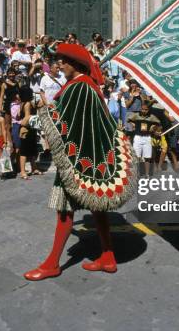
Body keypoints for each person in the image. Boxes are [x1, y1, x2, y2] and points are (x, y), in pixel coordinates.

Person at [24, 43, 136, 281]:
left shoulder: (79, 88)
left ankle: (52, 264)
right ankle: (107, 257)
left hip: (77, 160)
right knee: (97, 209)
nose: (59, 65)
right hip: (91, 157)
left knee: (64, 211)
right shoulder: (88, 86)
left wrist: (41, 112)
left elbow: (67, 123)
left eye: (63, 61)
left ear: (75, 63)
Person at [127, 102, 160, 176]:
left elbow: (158, 123)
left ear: (148, 110)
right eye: (142, 109)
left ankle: (147, 174)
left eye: (146, 109)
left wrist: (153, 127)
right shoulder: (136, 115)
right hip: (138, 137)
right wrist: (133, 124)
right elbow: (128, 119)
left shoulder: (151, 117)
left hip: (147, 137)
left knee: (147, 157)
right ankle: (137, 173)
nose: (144, 111)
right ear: (140, 109)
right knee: (137, 156)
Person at [18, 86, 40, 179]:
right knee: (24, 151)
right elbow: (26, 118)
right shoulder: (27, 104)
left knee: (32, 149)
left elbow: (19, 115)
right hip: (26, 129)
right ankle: (23, 172)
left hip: (31, 129)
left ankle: (34, 168)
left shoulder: (23, 103)